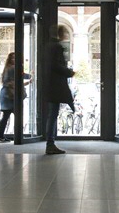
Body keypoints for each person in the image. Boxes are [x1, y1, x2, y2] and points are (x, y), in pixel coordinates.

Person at [44, 25, 75, 154]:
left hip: (50, 84)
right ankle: (50, 144)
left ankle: (50, 143)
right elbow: (56, 65)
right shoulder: (56, 47)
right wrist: (69, 72)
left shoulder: (48, 46)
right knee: (53, 115)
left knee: (52, 114)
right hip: (55, 86)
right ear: (60, 34)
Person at [0, 52, 32, 143]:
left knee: (6, 116)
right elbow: (18, 79)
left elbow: (18, 78)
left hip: (6, 95)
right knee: (15, 116)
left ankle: (1, 136)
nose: (14, 60)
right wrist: (30, 78)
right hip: (10, 95)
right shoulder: (12, 68)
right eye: (13, 58)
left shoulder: (7, 68)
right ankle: (18, 136)